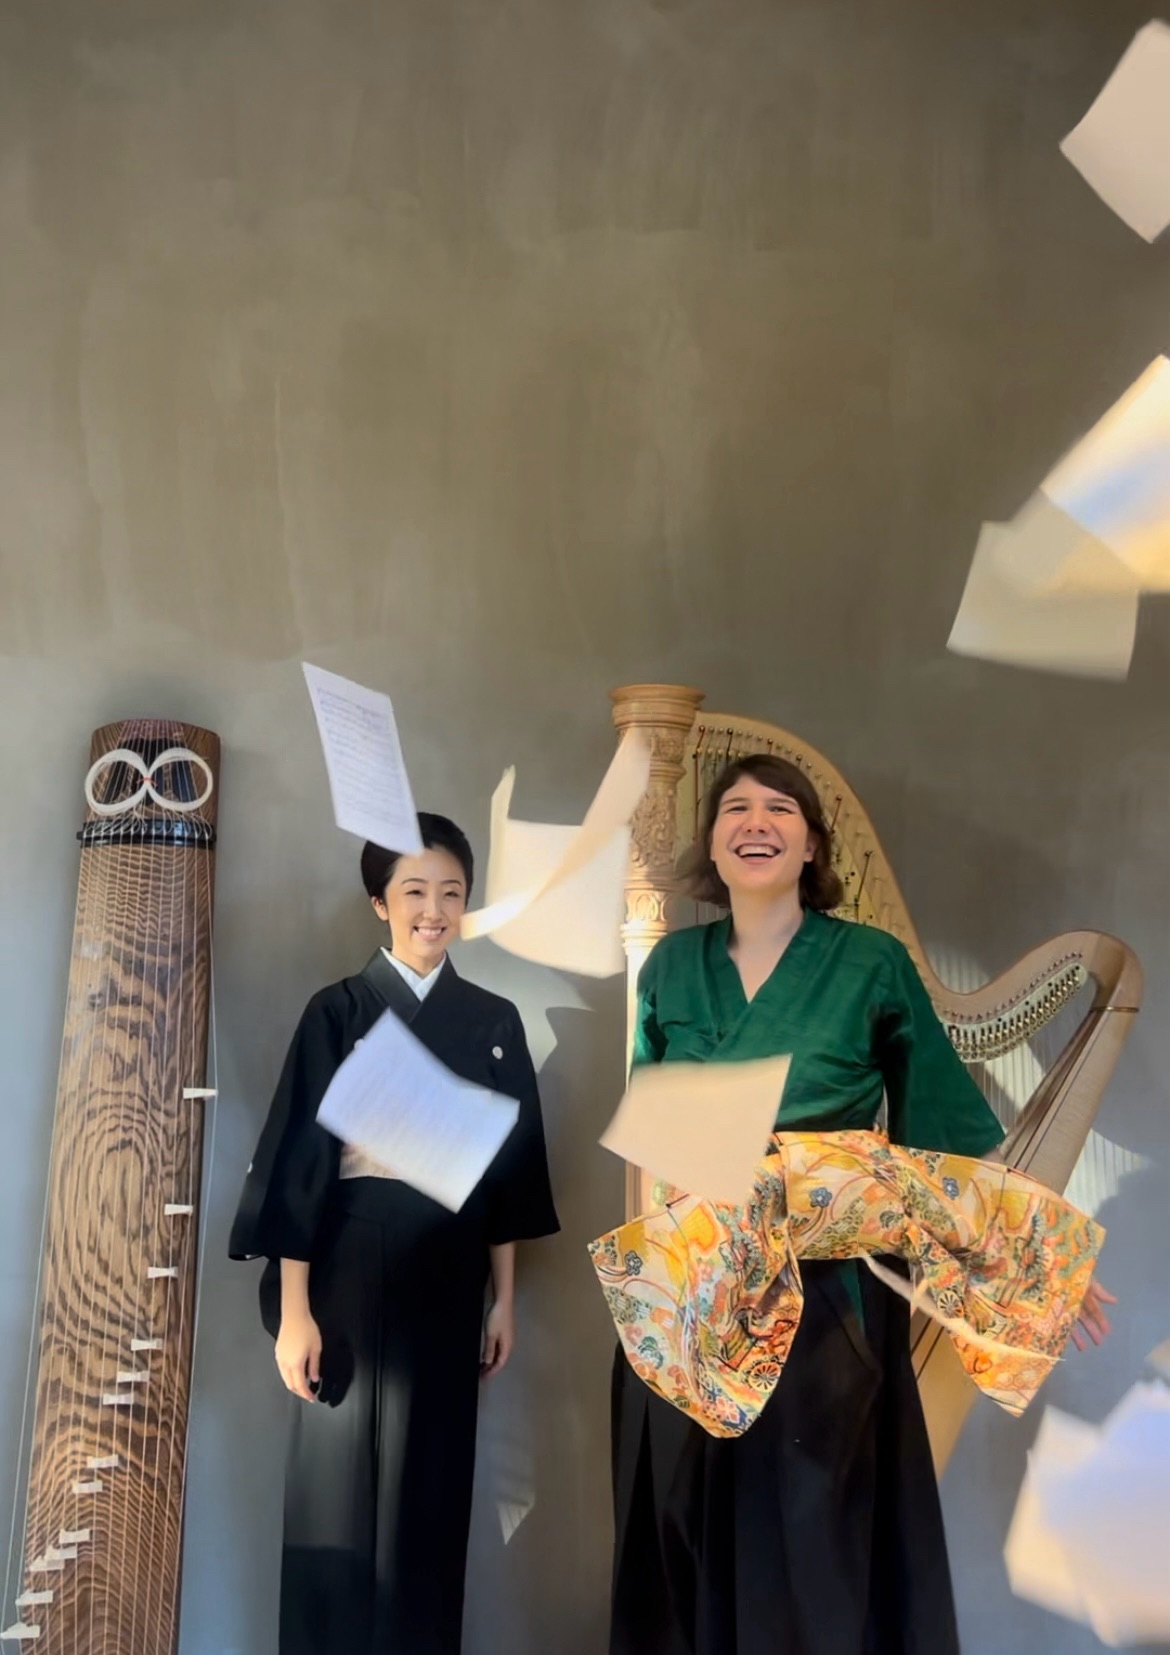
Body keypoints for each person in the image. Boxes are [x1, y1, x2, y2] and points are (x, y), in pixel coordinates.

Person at [607, 753, 1113, 1655]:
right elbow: (652, 1144)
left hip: (824, 1306)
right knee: (688, 1538)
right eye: (734, 808)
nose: (755, 821)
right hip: (699, 1291)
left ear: (812, 844)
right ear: (712, 845)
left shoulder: (871, 962)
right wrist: (655, 1291)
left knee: (816, 1552)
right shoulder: (672, 967)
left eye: (779, 807)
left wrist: (1036, 1258)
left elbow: (948, 1137)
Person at [229, 814, 559, 1655]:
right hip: (344, 1268)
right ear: (380, 901)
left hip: (448, 1270)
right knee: (334, 1492)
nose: (433, 910)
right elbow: (299, 1162)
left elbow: (510, 1175)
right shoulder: (337, 1010)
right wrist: (294, 1311)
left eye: (451, 892)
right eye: (414, 890)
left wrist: (503, 1299)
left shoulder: (493, 1020)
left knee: (432, 1493)